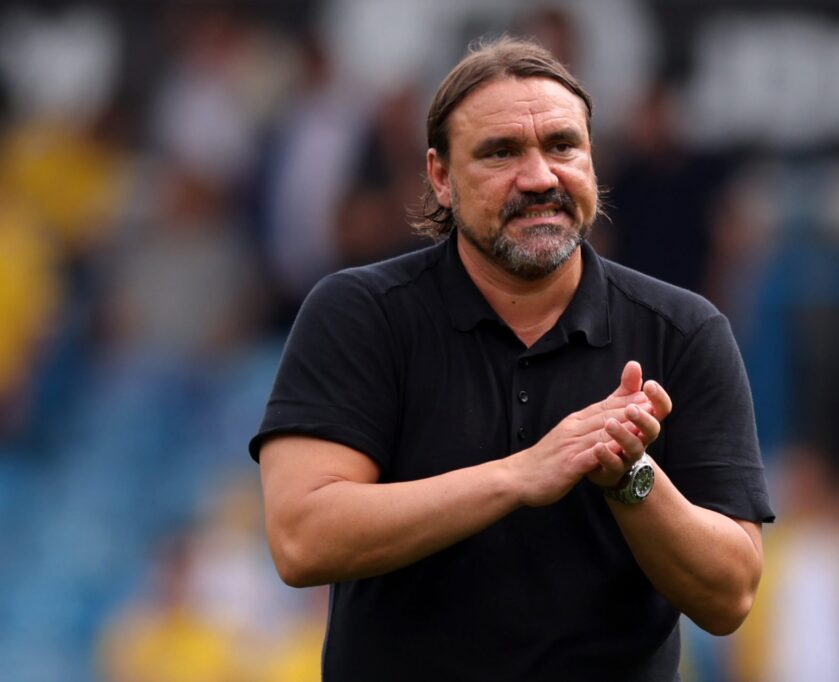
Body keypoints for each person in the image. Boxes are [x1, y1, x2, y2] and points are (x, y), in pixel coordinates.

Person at [250, 36, 774, 681]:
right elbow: (302, 538)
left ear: (592, 160)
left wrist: (630, 477)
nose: (539, 177)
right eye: (501, 152)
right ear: (441, 178)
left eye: (562, 146)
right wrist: (520, 476)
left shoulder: (683, 331)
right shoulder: (361, 312)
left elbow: (730, 596)